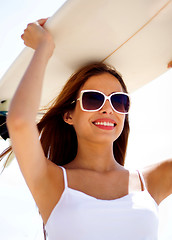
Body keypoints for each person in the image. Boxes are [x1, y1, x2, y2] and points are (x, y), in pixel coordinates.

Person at [5, 18, 172, 240]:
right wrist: (44, 48)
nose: (108, 109)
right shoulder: (51, 181)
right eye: (93, 99)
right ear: (69, 115)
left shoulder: (152, 181)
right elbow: (19, 121)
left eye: (118, 101)